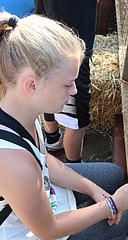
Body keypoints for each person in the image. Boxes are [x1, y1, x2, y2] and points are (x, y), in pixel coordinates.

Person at [0, 11, 128, 240]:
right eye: (66, 84)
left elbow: (42, 161)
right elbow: (48, 229)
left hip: (36, 198)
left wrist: (91, 189)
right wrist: (113, 204)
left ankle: (89, 228)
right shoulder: (12, 164)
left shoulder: (14, 106)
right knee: (124, 221)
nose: (75, 90)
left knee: (113, 175)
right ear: (31, 84)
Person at [34, 0, 97, 163]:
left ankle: (52, 139)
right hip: (70, 56)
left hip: (47, 45)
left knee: (48, 96)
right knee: (78, 123)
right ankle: (74, 166)